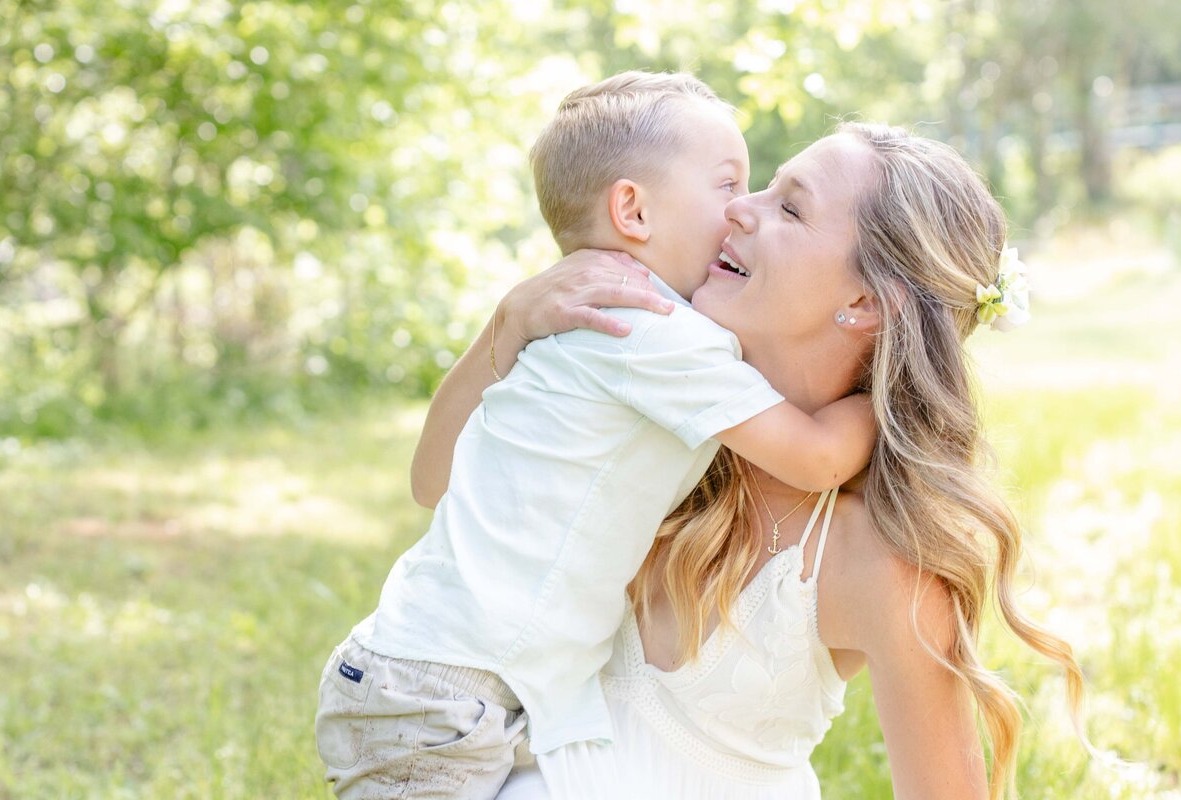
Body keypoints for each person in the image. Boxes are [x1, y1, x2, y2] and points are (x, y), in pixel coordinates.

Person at [415, 123, 1088, 800]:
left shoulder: (878, 559)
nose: (739, 207)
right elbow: (434, 483)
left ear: (865, 303)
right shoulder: (649, 407)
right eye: (761, 186)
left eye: (789, 208)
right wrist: (509, 325)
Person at [314, 72, 876, 800]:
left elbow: (430, 485)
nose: (742, 209)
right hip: (445, 697)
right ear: (632, 210)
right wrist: (893, 390)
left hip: (426, 677)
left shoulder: (579, 322)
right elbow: (819, 458)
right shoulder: (653, 336)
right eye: (726, 183)